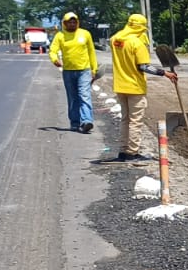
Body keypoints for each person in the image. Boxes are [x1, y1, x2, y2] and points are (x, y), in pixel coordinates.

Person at [107, 14, 177, 162]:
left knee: (125, 119)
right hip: (134, 87)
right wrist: (165, 73)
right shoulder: (136, 44)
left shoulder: (115, 39)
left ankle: (123, 151)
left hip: (120, 85)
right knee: (135, 121)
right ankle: (132, 152)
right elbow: (144, 67)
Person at [49, 11, 99, 132]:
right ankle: (75, 123)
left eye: (74, 22)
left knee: (84, 95)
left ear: (77, 22)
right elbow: (53, 50)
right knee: (72, 98)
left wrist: (94, 69)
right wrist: (54, 60)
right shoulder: (60, 36)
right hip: (68, 72)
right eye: (69, 22)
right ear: (64, 23)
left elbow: (91, 52)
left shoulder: (85, 34)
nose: (72, 24)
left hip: (84, 71)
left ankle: (87, 121)